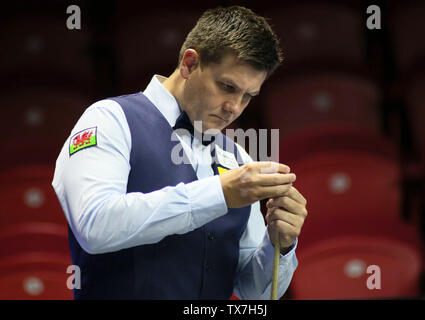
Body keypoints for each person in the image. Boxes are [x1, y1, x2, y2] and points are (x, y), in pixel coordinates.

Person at [52, 5, 308, 300]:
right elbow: (94, 226)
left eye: (248, 96)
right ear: (188, 63)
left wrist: (281, 246)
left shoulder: (237, 157)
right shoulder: (109, 119)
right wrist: (219, 193)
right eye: (226, 86)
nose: (234, 107)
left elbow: (254, 294)